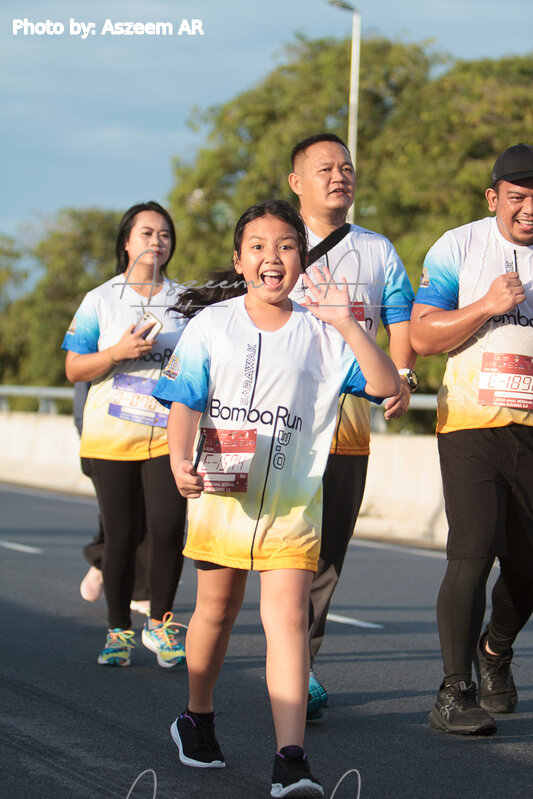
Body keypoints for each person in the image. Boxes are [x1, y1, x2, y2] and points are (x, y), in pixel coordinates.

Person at [152, 200, 400, 798]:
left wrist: (348, 324)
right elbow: (185, 399)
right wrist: (179, 458)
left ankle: (291, 759)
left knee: (288, 619)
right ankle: (197, 716)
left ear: (302, 259)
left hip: (293, 501)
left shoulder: (323, 333)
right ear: (239, 260)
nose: (273, 257)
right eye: (258, 247)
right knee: (216, 610)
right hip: (222, 489)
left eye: (287, 246)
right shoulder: (213, 324)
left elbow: (387, 384)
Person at [288, 133, 417, 715]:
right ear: (297, 182)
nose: (340, 176)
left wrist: (403, 375)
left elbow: (400, 316)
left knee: (328, 554)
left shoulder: (376, 249)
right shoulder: (277, 243)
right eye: (325, 169)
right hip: (283, 423)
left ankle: (302, 664)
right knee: (285, 548)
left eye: (347, 167)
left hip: (347, 428)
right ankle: (284, 653)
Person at [410, 143, 533, 735]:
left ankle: (494, 651)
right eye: (517, 197)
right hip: (470, 425)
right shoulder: (458, 246)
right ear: (493, 198)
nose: (529, 209)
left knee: (528, 567)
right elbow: (422, 335)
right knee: (474, 550)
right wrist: (487, 304)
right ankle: (455, 692)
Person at [63, 201, 188, 668]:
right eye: (147, 233)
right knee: (121, 536)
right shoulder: (100, 299)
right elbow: (75, 368)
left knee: (168, 528)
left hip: (166, 434)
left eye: (165, 234)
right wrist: (117, 352)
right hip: (111, 436)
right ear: (126, 243)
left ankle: (161, 624)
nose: (157, 241)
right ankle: (118, 631)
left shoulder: (185, 300)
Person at [76, 380, 151, 614]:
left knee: (152, 515)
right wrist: (84, 428)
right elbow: (81, 378)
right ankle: (102, 560)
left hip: (153, 434)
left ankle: (141, 591)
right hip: (106, 438)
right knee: (120, 516)